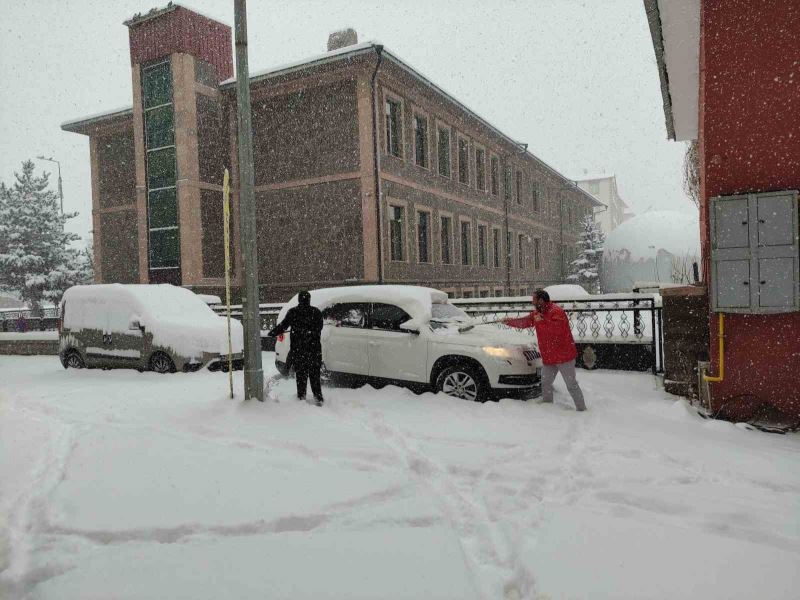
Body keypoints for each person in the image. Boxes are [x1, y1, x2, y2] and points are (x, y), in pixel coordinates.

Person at [503, 289, 587, 411]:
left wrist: (542, 321)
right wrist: (509, 322)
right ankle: (548, 407)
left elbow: (557, 331)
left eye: (534, 300)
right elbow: (525, 321)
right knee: (546, 382)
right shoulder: (538, 313)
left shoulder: (557, 311)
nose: (532, 302)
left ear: (541, 300)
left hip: (564, 357)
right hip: (549, 357)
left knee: (571, 385)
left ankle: (582, 409)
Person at [268, 290, 325, 406]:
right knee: (315, 376)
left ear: (299, 299)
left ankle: (301, 398)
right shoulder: (316, 312)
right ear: (309, 299)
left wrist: (273, 332)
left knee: (301, 376)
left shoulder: (293, 312)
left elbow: (283, 326)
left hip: (299, 351)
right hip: (314, 350)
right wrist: (309, 333)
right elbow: (319, 328)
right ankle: (318, 398)